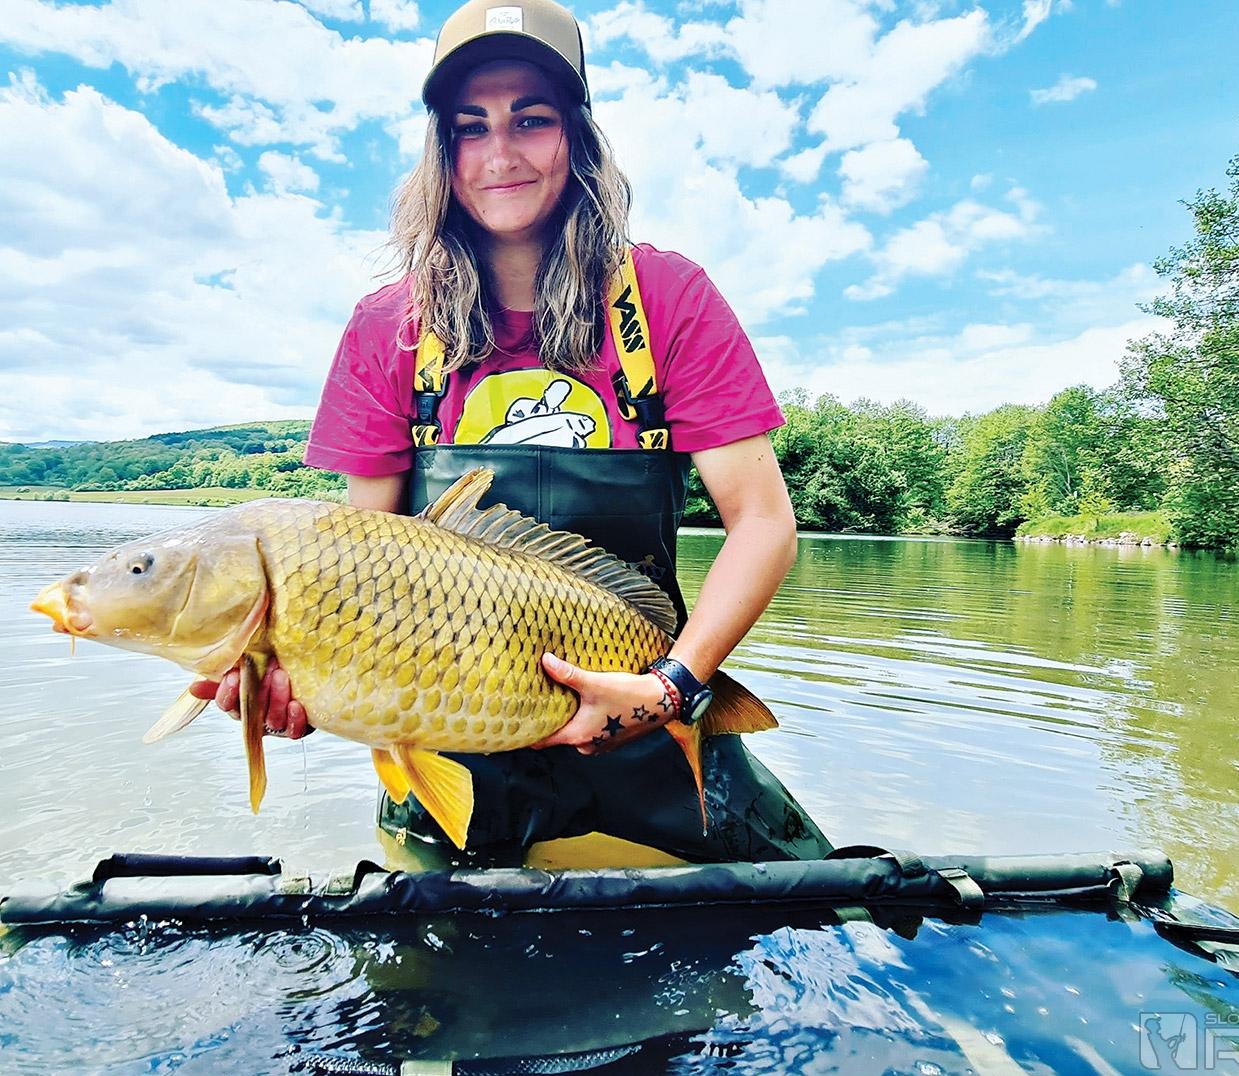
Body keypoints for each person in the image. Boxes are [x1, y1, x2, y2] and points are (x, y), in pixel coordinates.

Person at [191, 0, 830, 867]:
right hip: (449, 741)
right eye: (471, 126)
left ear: (577, 137)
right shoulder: (387, 326)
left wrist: (671, 686)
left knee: (833, 907)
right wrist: (308, 682)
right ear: (442, 151)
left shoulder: (668, 299)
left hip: (653, 706)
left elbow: (763, 521)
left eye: (531, 120)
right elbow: (359, 565)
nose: (500, 154)